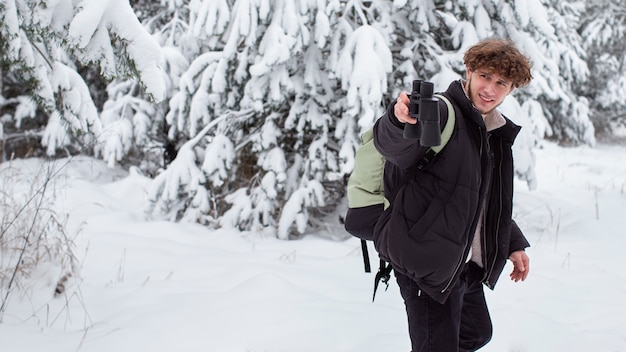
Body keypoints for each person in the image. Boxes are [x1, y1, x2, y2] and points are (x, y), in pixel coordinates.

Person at [372, 38, 532, 352]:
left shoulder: (491, 131)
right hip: (427, 263)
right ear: (469, 71)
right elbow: (394, 147)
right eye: (485, 76)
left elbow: (480, 198)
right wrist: (397, 121)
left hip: (463, 263)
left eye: (502, 82)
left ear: (511, 89)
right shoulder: (443, 114)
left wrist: (512, 243)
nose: (490, 89)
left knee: (476, 333)